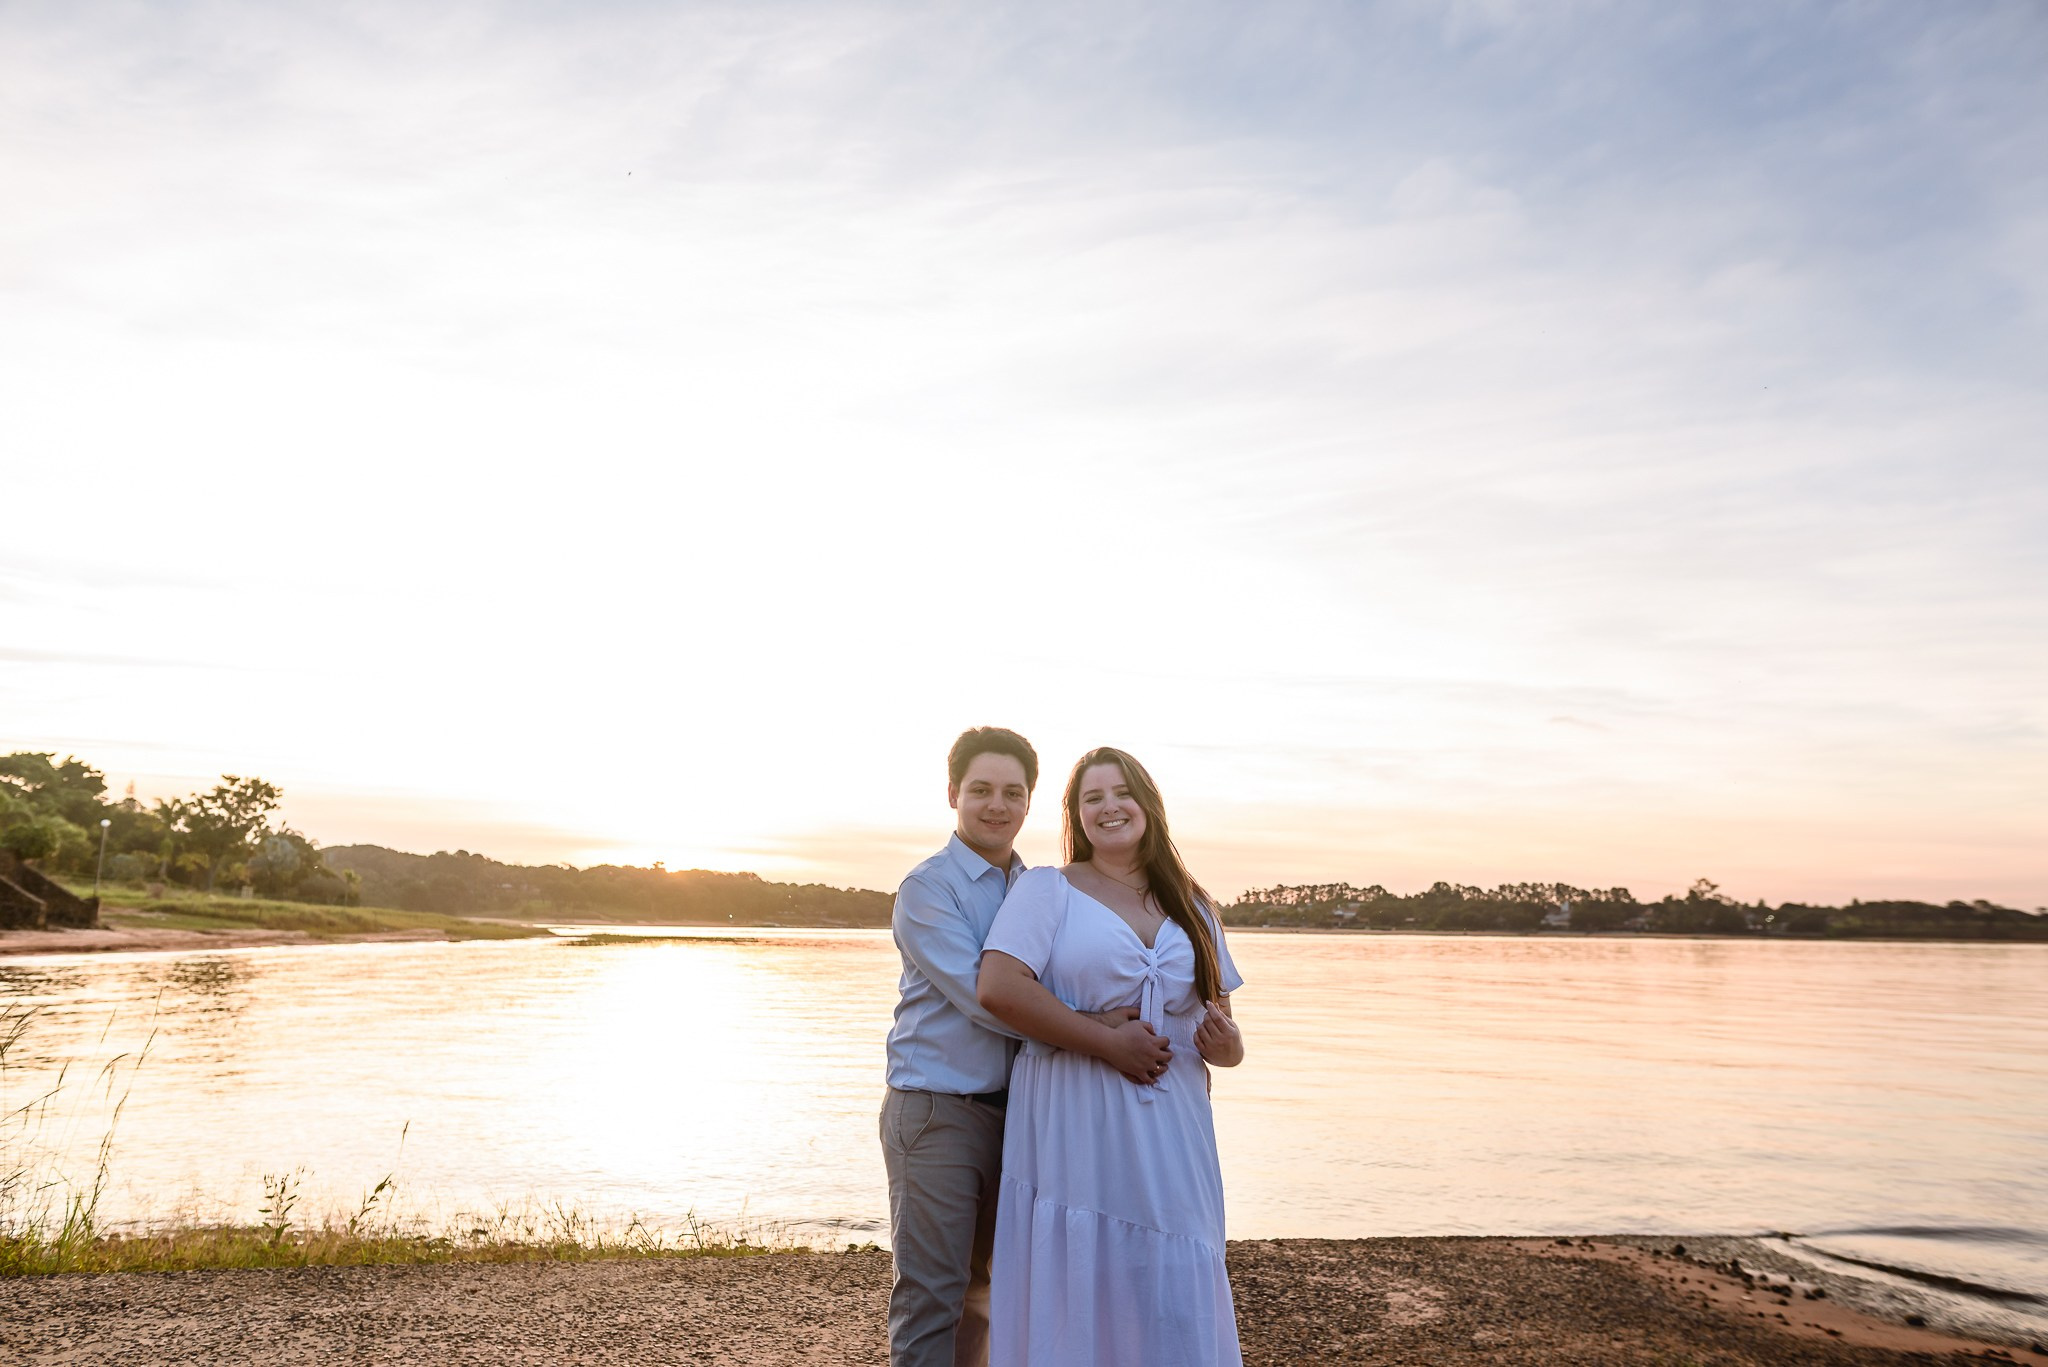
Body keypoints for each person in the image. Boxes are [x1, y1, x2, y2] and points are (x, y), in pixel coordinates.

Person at [882, 728, 1173, 1367]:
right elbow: (989, 996)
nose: (997, 805)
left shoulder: (1043, 887)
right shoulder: (927, 890)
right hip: (938, 1111)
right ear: (953, 793)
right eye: (981, 790)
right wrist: (1097, 1029)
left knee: (990, 1293)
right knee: (933, 1295)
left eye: (1013, 792)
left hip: (1024, 1112)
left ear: (1030, 802)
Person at [977, 746, 1247, 1367]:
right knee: (1082, 1268)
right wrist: (1105, 1042)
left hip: (1175, 1126)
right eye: (1091, 798)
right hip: (1076, 1113)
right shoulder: (1048, 889)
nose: (1109, 807)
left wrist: (1230, 1048)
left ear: (1147, 804)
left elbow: (1223, 1024)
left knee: (1175, 1266)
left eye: (1120, 793)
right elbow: (999, 988)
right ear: (1076, 815)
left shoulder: (1194, 904)